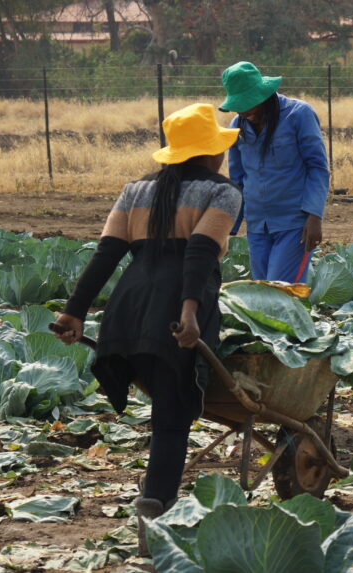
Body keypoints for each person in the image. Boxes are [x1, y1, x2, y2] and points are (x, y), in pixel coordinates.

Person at [52, 103, 242, 555]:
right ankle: (155, 518)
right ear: (213, 153)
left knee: (163, 410)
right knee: (173, 421)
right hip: (178, 312)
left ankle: (155, 508)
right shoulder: (224, 193)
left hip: (127, 310)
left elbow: (107, 254)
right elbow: (199, 253)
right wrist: (192, 312)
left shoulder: (134, 191)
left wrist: (74, 312)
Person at [219, 61, 330, 283]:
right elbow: (237, 179)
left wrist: (314, 216)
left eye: (249, 105)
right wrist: (227, 228)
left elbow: (317, 167)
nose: (245, 112)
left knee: (280, 293)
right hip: (257, 224)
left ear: (263, 95)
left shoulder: (298, 114)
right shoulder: (236, 125)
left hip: (294, 224)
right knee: (263, 296)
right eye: (240, 107)